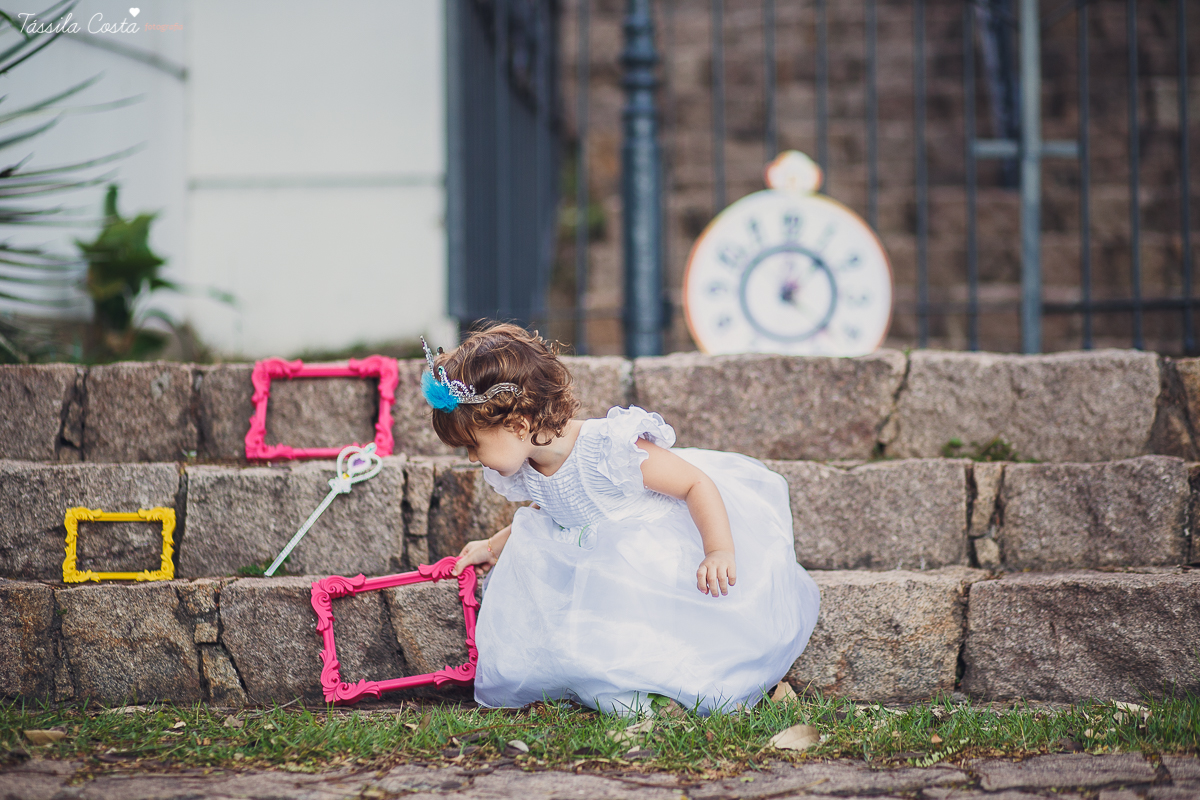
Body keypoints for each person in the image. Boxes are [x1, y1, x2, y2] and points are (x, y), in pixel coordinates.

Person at [422, 323, 820, 716]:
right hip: (595, 570)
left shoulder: (608, 448)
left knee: (655, 626)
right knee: (593, 638)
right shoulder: (527, 465)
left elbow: (695, 484)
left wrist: (718, 550)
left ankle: (684, 687)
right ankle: (629, 691)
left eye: (473, 445)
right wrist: (492, 546)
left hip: (651, 563)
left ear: (518, 425)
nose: (471, 458)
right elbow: (549, 511)